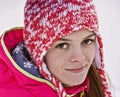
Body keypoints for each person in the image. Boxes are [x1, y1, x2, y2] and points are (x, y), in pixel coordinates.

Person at [0, 0, 112, 97]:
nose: (79, 57)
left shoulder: (90, 83)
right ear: (37, 50)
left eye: (87, 41)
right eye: (62, 45)